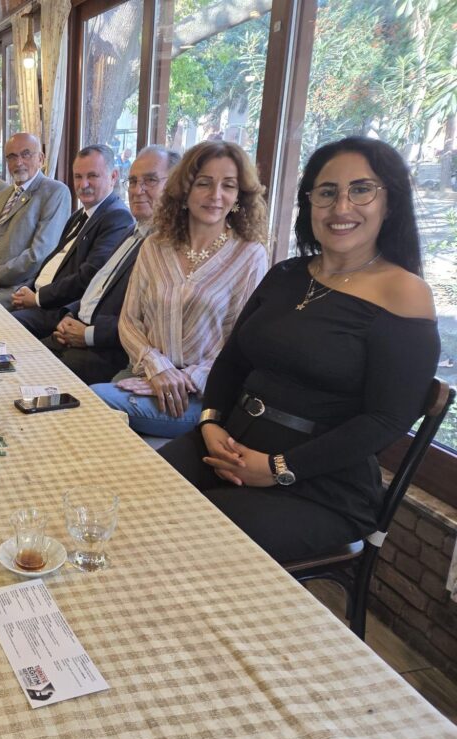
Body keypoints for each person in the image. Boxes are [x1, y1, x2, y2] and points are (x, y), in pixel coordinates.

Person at [158, 137, 439, 563]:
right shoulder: (286, 274)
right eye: (327, 192)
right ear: (309, 203)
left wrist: (279, 467)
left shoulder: (404, 294)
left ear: (390, 202)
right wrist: (211, 422)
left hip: (320, 486)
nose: (341, 207)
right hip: (228, 445)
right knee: (140, 493)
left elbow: (387, 419)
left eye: (361, 190)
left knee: (185, 540)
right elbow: (233, 362)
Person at [90, 141, 269, 438]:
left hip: (204, 393)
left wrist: (183, 379)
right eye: (204, 183)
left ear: (239, 194)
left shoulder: (250, 255)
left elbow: (241, 345)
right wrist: (158, 368)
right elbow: (129, 321)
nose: (216, 195)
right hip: (144, 375)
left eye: (228, 185)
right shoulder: (155, 246)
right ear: (185, 189)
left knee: (93, 401)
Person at [46, 146, 180, 384]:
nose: (137, 190)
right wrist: (71, 314)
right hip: (75, 333)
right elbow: (99, 289)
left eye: (150, 180)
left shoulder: (170, 247)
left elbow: (147, 324)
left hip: (107, 354)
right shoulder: (131, 231)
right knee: (13, 358)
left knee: (30, 378)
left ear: (175, 187)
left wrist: (87, 334)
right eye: (133, 181)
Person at [10, 144, 134, 337]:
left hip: (62, 312)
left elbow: (88, 278)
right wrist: (28, 288)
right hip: (40, 299)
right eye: (78, 177)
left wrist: (38, 298)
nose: (83, 185)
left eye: (92, 176)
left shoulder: (117, 217)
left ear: (113, 176)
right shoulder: (79, 215)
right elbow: (54, 261)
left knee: (0, 327)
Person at [0, 133, 70, 308]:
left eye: (26, 154)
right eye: (12, 157)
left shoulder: (55, 192)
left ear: (41, 158)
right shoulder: (1, 195)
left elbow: (39, 254)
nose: (18, 162)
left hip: (16, 289)